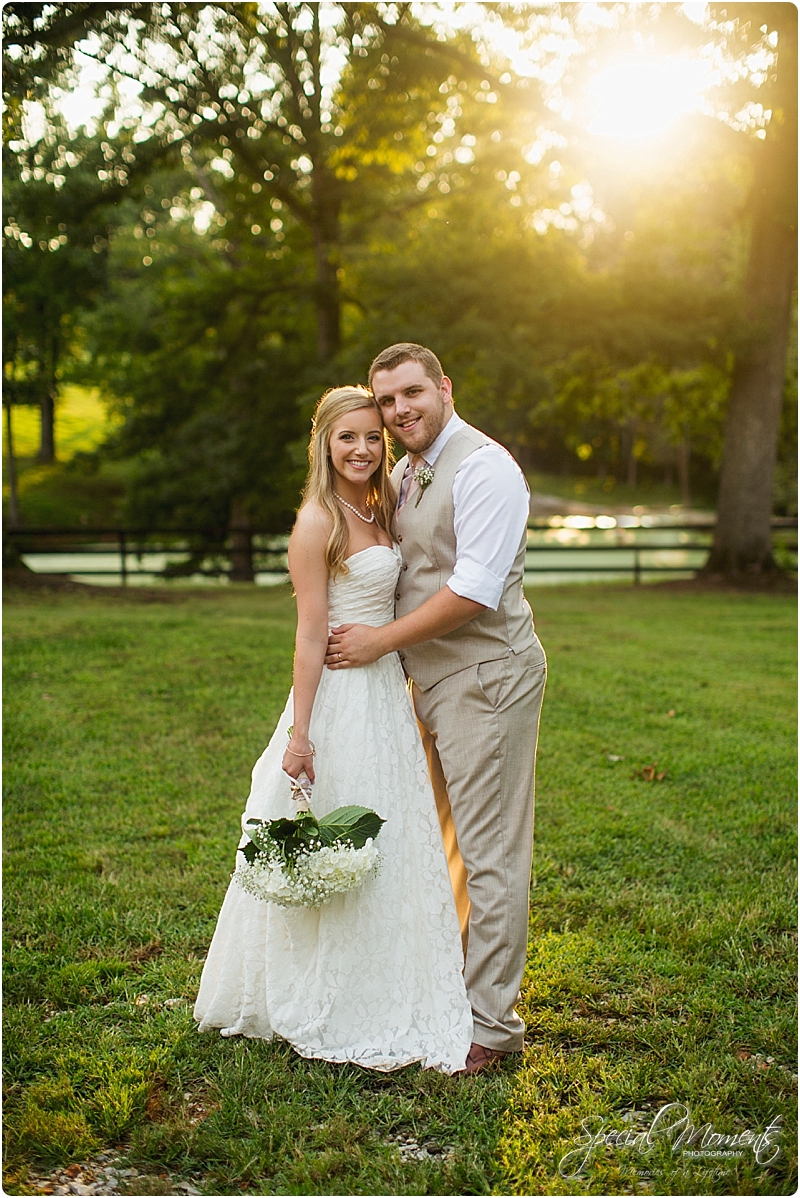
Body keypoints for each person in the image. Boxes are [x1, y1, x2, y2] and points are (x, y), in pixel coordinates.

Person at [194, 385, 473, 1073]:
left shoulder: (377, 507)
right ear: (323, 443)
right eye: (347, 437)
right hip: (341, 701)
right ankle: (323, 993)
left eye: (372, 437)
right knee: (339, 843)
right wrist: (301, 733)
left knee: (393, 843)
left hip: (386, 694)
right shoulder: (318, 521)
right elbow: (309, 635)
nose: (362, 448)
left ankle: (387, 980)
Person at [326, 345, 546, 1076]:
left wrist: (377, 642)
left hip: (485, 677)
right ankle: (447, 988)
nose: (400, 411)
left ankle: (492, 1027)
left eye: (412, 393)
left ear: (445, 387)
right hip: (421, 685)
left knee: (490, 854)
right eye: (387, 402)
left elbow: (475, 589)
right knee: (433, 841)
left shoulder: (486, 468)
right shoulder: (402, 470)